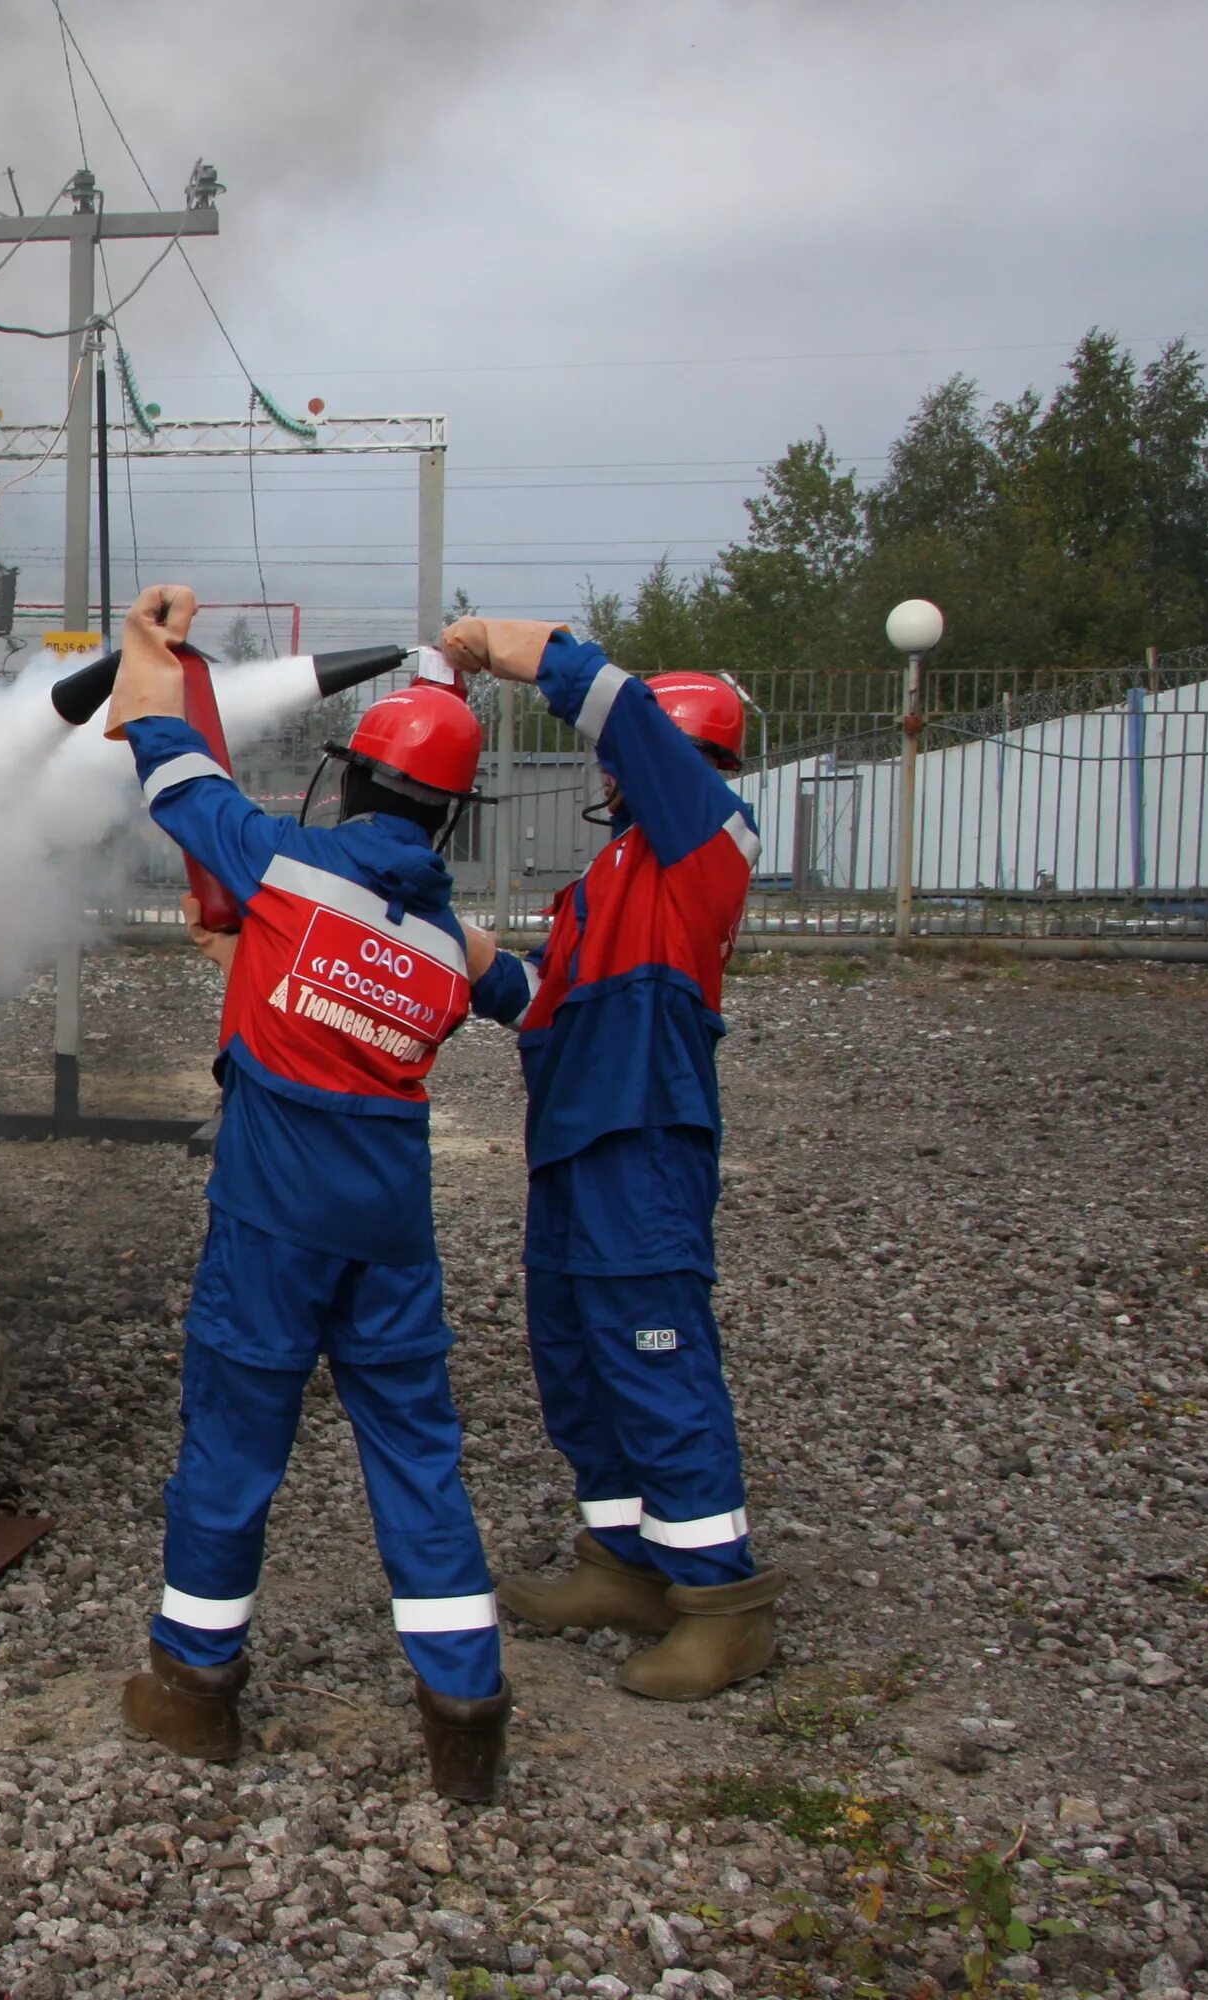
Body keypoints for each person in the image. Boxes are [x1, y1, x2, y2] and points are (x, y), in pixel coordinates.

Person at [110, 583, 515, 1802]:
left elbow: (161, 749)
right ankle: (464, 1712)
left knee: (234, 1449)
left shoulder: (283, 865)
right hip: (390, 1239)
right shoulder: (451, 948)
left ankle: (193, 1687)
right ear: (447, 822)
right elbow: (526, 993)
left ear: (347, 781)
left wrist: (151, 646)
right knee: (418, 1457)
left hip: (274, 1227)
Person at [439, 617, 780, 1701]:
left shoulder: (702, 842)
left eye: (618, 755)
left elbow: (623, 713)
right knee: (579, 1357)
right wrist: (436, 934)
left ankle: (722, 1603)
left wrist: (521, 647)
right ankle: (623, 1561)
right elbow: (537, 997)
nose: (602, 766)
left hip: (641, 1143)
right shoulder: (609, 878)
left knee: (656, 1358)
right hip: (575, 1148)